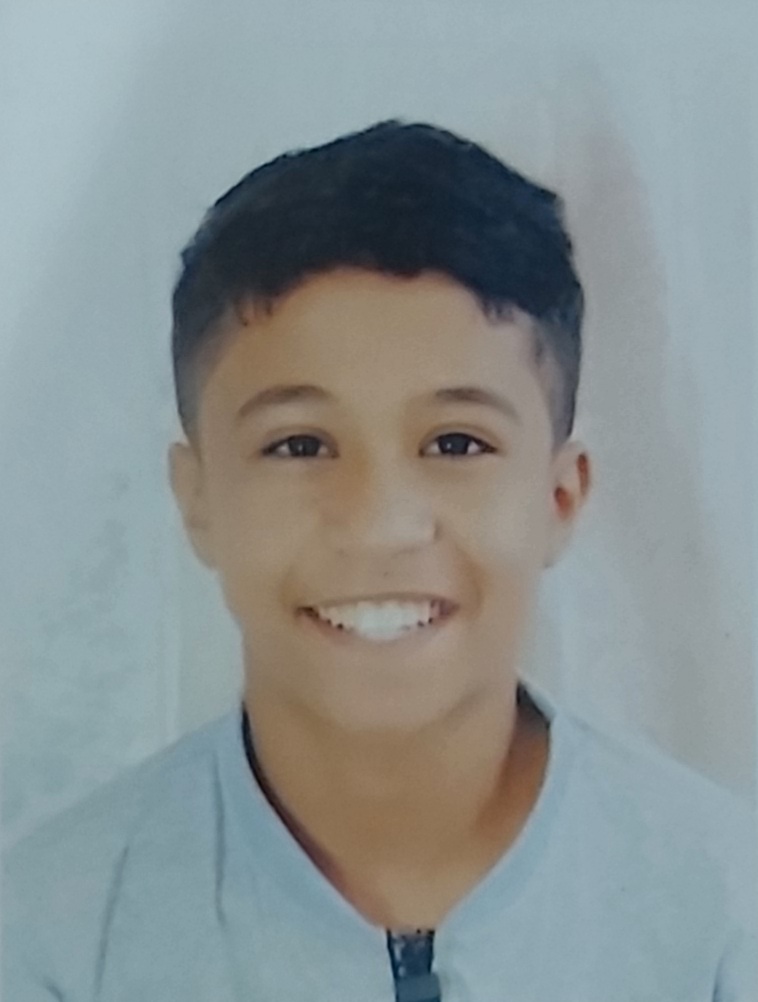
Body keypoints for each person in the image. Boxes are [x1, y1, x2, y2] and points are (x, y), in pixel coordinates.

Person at [3, 119, 755, 1002]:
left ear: (559, 498)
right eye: (299, 445)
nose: (378, 526)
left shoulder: (723, 917)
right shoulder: (51, 940)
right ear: (197, 497)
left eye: (456, 443)